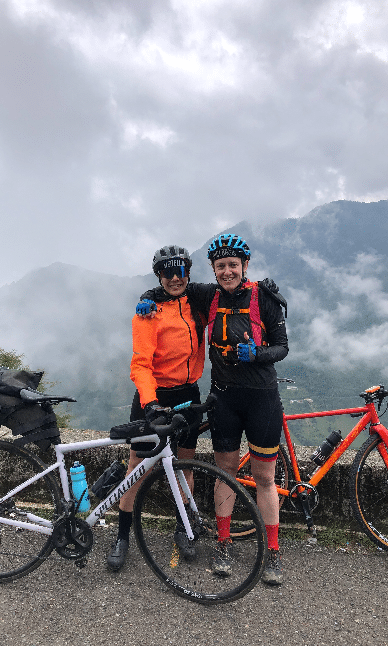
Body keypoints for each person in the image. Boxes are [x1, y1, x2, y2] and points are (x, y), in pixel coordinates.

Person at [138, 233, 288, 585]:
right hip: (224, 398)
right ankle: (222, 543)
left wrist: (259, 353)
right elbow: (172, 288)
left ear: (245, 266)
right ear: (214, 269)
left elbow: (282, 347)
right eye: (221, 266)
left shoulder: (264, 297)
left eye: (233, 265)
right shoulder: (208, 295)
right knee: (226, 472)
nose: (227, 271)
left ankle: (274, 551)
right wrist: (146, 297)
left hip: (262, 398)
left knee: (265, 478)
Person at [106, 245, 206, 571]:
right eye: (168, 272)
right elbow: (140, 365)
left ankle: (184, 529)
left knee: (185, 466)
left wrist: (262, 291)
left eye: (181, 271)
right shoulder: (147, 312)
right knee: (139, 467)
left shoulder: (198, 304)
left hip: (189, 395)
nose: (175, 278)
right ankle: (122, 536)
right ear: (159, 275)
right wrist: (150, 403)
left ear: (189, 272)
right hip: (155, 398)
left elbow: (234, 291)